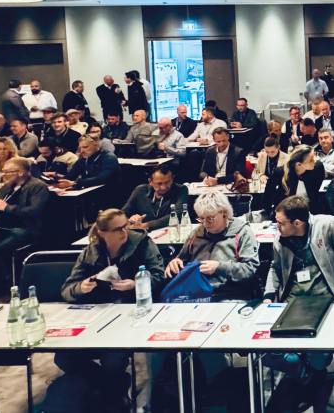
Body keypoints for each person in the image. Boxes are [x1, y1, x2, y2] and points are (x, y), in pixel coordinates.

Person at [56, 209, 164, 412]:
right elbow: (67, 290)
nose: (125, 232)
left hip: (132, 310)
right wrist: (82, 287)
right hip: (98, 313)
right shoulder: (90, 252)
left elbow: (160, 277)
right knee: (64, 358)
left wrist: (136, 284)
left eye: (126, 226)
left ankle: (109, 393)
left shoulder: (142, 243)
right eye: (118, 229)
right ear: (103, 233)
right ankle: (107, 386)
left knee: (112, 360)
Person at [262, 196, 334, 412]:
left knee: (319, 355)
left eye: (280, 223)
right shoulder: (280, 238)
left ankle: (310, 377)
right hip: (291, 301)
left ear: (297, 223)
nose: (277, 227)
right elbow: (275, 268)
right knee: (267, 353)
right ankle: (305, 374)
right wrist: (268, 294)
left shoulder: (328, 225)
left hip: (325, 299)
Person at [164, 190, 259, 300]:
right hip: (197, 292)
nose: (205, 224)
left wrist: (219, 267)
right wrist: (175, 262)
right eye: (201, 219)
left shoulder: (242, 233)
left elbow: (250, 269)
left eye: (210, 218)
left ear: (224, 214)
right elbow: (182, 261)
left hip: (231, 294)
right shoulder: (196, 233)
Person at [0, 157, 49, 291]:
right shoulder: (7, 187)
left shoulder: (37, 186)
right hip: (1, 227)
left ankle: (0, 289)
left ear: (20, 172)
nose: (4, 175)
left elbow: (34, 211)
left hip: (25, 229)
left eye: (8, 172)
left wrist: (7, 207)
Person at [123, 164, 190, 231]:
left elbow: (179, 214)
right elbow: (123, 213)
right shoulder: (140, 191)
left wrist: (146, 225)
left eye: (167, 182)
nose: (163, 187)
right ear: (150, 182)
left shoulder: (181, 190)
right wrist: (130, 221)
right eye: (159, 183)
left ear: (173, 178)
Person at [265, 145, 326, 214]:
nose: (315, 161)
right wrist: (269, 211)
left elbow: (316, 190)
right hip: (286, 210)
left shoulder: (317, 168)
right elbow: (268, 194)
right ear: (299, 164)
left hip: (310, 209)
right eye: (311, 160)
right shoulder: (280, 172)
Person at [56, 135, 121, 190]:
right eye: (80, 148)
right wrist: (56, 177)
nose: (81, 151)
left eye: (85, 147)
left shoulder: (109, 158)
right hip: (89, 192)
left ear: (96, 146)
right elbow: (69, 176)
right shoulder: (83, 160)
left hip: (108, 192)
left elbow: (101, 179)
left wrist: (75, 183)